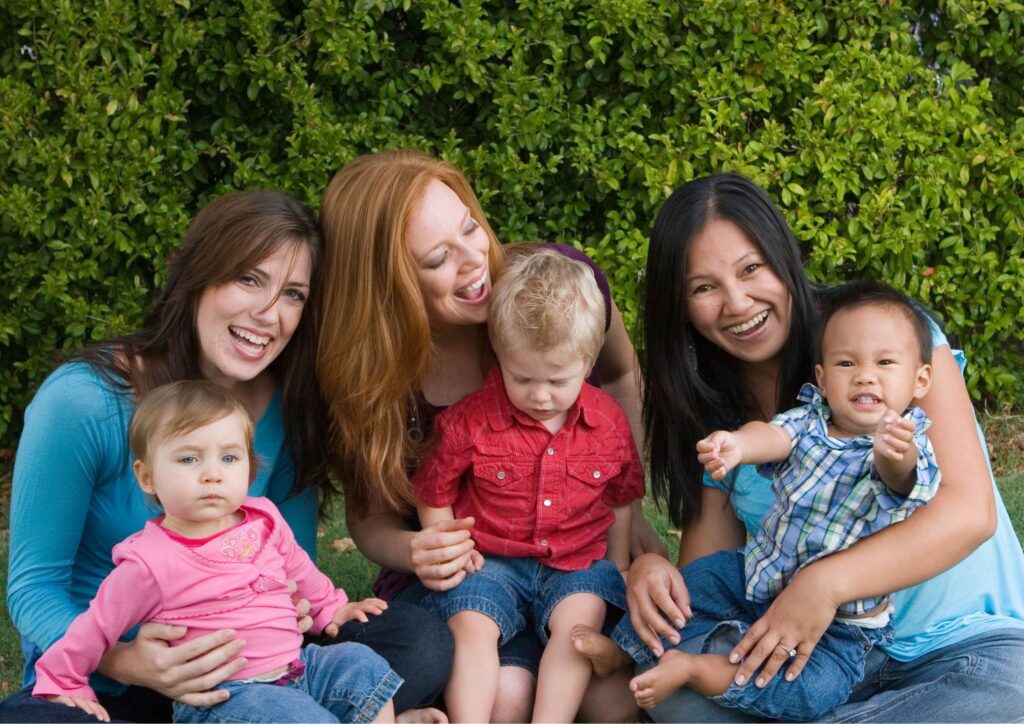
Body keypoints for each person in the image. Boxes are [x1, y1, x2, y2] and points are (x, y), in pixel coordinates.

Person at [578, 173, 1024, 721]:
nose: (737, 302)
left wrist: (825, 584)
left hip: (961, 653)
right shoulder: (719, 416)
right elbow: (713, 585)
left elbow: (969, 513)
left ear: (783, 258)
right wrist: (652, 571)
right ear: (681, 306)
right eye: (703, 287)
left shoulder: (884, 342)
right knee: (677, 696)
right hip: (806, 667)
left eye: (751, 269)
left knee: (1005, 700)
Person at [3, 191, 451, 723]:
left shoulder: (287, 412)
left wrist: (298, 605)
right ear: (198, 275)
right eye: (249, 279)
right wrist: (130, 661)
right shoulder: (84, 402)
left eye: (293, 294)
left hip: (252, 674)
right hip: (108, 680)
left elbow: (293, 570)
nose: (267, 314)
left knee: (418, 642)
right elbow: (34, 587)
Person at [317, 149, 662, 721]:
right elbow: (368, 519)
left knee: (618, 692)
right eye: (437, 259)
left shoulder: (556, 296)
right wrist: (417, 549)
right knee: (505, 699)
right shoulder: (376, 378)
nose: (474, 260)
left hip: (571, 550)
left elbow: (622, 372)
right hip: (472, 569)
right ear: (388, 282)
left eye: (471, 227)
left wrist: (621, 503)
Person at [579, 282, 942, 719]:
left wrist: (893, 455)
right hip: (757, 570)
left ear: (920, 379)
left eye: (885, 363)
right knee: (690, 586)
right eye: (847, 363)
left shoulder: (906, 444)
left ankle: (695, 670)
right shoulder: (811, 420)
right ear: (824, 378)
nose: (865, 375)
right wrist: (736, 445)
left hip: (840, 627)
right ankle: (626, 650)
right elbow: (772, 435)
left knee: (808, 689)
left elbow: (901, 482)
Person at [34, 380, 401, 724]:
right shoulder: (150, 561)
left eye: (228, 458)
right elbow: (96, 626)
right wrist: (63, 680)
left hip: (296, 666)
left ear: (248, 466)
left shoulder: (263, 519)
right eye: (189, 459)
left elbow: (300, 570)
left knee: (361, 664)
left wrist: (330, 606)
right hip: (229, 697)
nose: (212, 474)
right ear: (147, 477)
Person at [412, 250, 645, 721]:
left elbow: (621, 497)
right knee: (471, 621)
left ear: (588, 360)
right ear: (498, 352)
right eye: (522, 378)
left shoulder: (607, 422)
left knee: (580, 626)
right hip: (493, 560)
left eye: (558, 380)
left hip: (577, 562)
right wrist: (450, 547)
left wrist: (618, 562)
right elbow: (433, 490)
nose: (540, 395)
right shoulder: (469, 422)